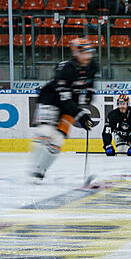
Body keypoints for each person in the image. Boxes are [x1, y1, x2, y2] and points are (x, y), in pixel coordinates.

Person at [31, 38, 96, 181]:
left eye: (89, 53)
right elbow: (63, 98)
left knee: (58, 141)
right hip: (50, 98)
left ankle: (41, 171)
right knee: (45, 132)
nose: (88, 57)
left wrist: (90, 94)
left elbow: (90, 82)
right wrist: (80, 114)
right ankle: (34, 167)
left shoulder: (92, 66)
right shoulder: (65, 69)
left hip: (70, 101)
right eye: (84, 53)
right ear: (76, 53)